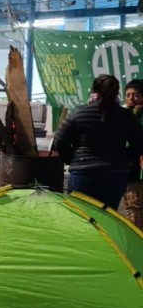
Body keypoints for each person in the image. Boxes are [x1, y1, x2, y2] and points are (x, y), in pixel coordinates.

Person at [56, 75, 142, 210]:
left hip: (83, 174)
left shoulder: (78, 112)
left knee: (81, 216)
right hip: (115, 175)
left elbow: (60, 141)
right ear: (117, 93)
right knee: (107, 216)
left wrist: (70, 158)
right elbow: (139, 143)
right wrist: (126, 159)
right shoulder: (127, 116)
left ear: (94, 90)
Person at [124, 79, 143, 228]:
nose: (131, 99)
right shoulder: (124, 115)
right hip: (128, 169)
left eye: (135, 95)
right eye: (128, 95)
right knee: (131, 207)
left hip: (139, 171)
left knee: (136, 206)